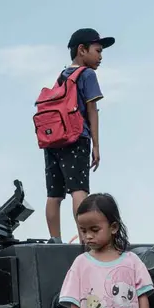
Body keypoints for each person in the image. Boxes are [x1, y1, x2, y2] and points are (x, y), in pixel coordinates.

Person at [44, 28, 111, 242]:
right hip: (76, 137)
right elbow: (92, 110)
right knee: (78, 190)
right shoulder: (87, 74)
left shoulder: (62, 75)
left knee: (54, 194)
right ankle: (85, 238)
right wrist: (96, 145)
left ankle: (55, 240)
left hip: (53, 139)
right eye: (97, 51)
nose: (100, 57)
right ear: (82, 50)